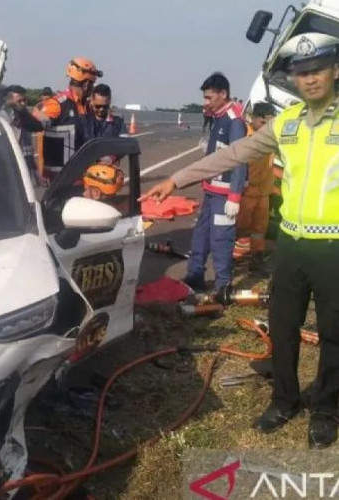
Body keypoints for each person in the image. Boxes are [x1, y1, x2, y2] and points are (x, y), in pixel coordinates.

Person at [140, 32, 339, 449]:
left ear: (334, 71)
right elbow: (234, 154)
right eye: (301, 73)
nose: (310, 80)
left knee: (334, 334)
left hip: (334, 248)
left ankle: (325, 409)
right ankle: (284, 400)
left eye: (318, 70)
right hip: (291, 246)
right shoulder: (286, 124)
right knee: (283, 328)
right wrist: (178, 178)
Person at [183, 72, 248, 293]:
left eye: (209, 98)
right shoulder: (218, 117)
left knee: (221, 240)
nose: (206, 102)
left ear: (223, 94)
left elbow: (240, 159)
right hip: (211, 191)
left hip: (224, 194)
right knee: (200, 236)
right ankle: (194, 276)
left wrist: (235, 196)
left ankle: (222, 286)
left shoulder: (234, 121)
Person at [236, 102, 276, 276]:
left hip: (264, 191)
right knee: (239, 227)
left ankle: (256, 259)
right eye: (264, 122)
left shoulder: (271, 137)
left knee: (260, 229)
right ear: (255, 119)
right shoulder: (244, 137)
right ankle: (231, 259)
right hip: (247, 192)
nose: (267, 126)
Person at [0, 85, 50, 185]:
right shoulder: (2, 121)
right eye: (19, 101)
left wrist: (37, 173)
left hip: (24, 173)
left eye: (24, 100)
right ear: (9, 100)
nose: (23, 104)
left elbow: (28, 151)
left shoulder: (24, 120)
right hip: (9, 173)